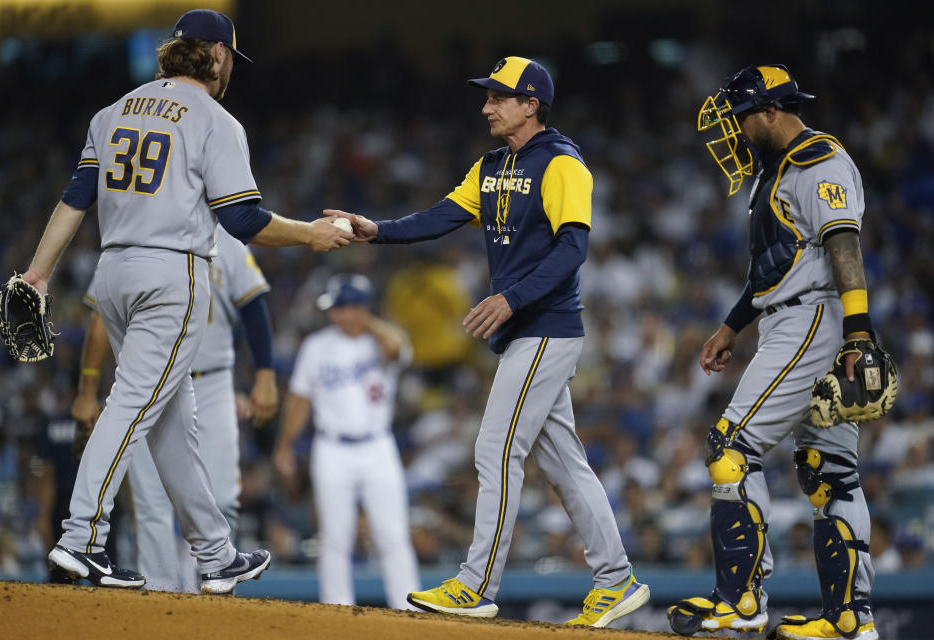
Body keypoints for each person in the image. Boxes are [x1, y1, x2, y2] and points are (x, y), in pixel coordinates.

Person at [24, 9, 351, 592]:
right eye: (230, 59)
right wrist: (310, 233)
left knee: (171, 418)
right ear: (219, 55)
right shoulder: (214, 119)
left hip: (113, 273)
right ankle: (82, 538)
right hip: (171, 274)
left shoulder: (112, 112)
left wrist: (37, 273)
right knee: (132, 405)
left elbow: (76, 200)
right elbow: (242, 219)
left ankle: (214, 552)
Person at [324, 56, 649, 627]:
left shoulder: (563, 163)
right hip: (526, 331)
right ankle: (616, 577)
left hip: (546, 327)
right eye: (488, 96)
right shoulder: (495, 163)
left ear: (531, 103)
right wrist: (378, 231)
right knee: (566, 463)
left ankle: (476, 584)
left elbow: (574, 249)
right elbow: (442, 216)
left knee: (495, 449)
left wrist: (511, 298)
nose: (486, 106)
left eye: (499, 97)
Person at [666, 65, 881, 640]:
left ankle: (739, 601)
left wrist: (859, 334)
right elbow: (776, 267)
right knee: (827, 470)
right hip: (797, 314)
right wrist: (733, 325)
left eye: (739, 118)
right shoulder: (777, 171)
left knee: (731, 448)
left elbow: (844, 244)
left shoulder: (818, 160)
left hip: (814, 319)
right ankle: (848, 619)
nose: (733, 131)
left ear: (769, 112)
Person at [72, 226, 278, 591]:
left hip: (212, 381)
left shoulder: (225, 239)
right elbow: (99, 319)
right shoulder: (137, 235)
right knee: (152, 502)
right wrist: (87, 388)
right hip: (150, 377)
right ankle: (161, 595)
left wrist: (265, 374)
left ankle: (214, 584)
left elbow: (254, 303)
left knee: (225, 496)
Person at [272, 274, 420, 609]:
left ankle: (408, 608)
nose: (334, 315)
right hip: (332, 448)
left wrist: (367, 321)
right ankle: (336, 609)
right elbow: (299, 399)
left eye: (342, 308)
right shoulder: (317, 345)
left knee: (392, 534)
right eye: (334, 308)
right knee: (336, 537)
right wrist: (285, 445)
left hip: (378, 446)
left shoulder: (382, 340)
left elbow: (398, 348)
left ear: (361, 308)